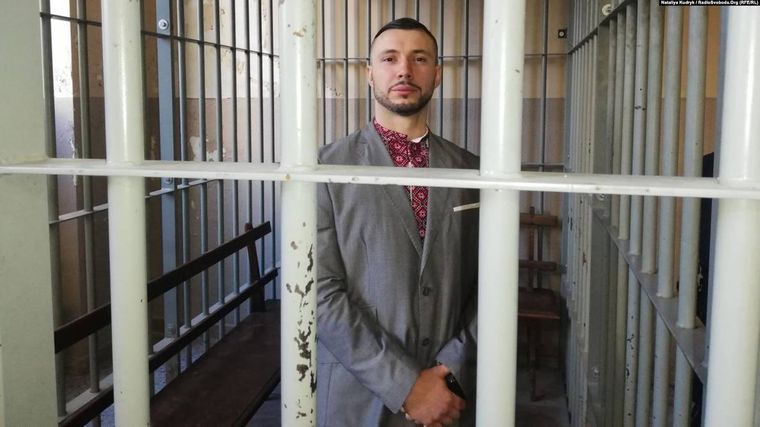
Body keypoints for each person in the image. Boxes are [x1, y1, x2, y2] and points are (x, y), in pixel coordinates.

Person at [316, 17, 479, 427]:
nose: (404, 70)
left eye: (419, 59)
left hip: (449, 395)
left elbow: (491, 284)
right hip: (357, 394)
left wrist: (451, 369)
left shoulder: (472, 170)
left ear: (437, 74)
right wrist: (405, 385)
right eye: (389, 58)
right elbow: (317, 292)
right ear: (369, 73)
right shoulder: (324, 168)